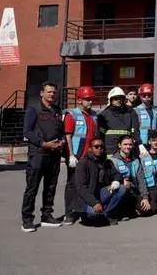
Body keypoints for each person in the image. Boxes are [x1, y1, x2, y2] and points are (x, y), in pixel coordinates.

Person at [21, 81, 65, 232]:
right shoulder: (34, 109)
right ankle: (27, 219)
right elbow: (27, 131)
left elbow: (61, 130)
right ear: (42, 93)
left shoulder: (57, 110)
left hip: (54, 154)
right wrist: (44, 144)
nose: (52, 94)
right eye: (49, 91)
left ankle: (47, 215)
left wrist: (62, 142)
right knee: (32, 187)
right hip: (38, 154)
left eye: (54, 92)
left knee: (50, 187)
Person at [63, 86, 98, 225]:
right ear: (79, 100)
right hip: (76, 156)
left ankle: (84, 211)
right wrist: (71, 155)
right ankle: (69, 213)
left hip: (89, 157)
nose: (90, 102)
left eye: (91, 99)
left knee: (87, 185)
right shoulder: (72, 115)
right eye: (87, 99)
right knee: (72, 184)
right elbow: (68, 136)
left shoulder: (94, 115)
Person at [74, 137, 126, 226]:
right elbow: (81, 187)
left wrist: (116, 182)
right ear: (90, 149)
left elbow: (117, 174)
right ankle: (89, 214)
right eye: (96, 146)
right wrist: (95, 203)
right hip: (89, 196)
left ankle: (107, 214)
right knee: (93, 214)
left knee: (121, 188)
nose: (99, 149)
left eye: (101, 146)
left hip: (102, 193)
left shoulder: (107, 162)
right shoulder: (83, 163)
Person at [110, 135, 151, 219]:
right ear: (119, 145)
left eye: (130, 144)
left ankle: (132, 209)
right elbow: (108, 180)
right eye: (125, 144)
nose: (128, 147)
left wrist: (145, 198)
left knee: (147, 210)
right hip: (118, 192)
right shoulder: (112, 161)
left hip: (133, 192)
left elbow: (141, 181)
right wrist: (121, 182)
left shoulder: (136, 161)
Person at [97, 86, 140, 156]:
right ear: (110, 100)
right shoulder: (103, 115)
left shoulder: (130, 112)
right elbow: (100, 135)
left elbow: (135, 131)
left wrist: (137, 144)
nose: (119, 100)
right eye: (116, 98)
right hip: (110, 149)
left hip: (127, 148)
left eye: (120, 98)